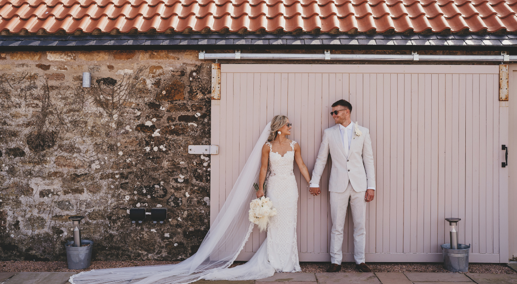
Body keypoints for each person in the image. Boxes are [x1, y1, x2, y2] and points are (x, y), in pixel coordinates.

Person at [70, 115, 311, 284]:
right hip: (275, 186)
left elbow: (299, 164)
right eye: (288, 124)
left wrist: (312, 181)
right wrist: (260, 190)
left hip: (290, 187)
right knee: (275, 224)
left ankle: (289, 261)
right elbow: (262, 169)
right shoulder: (268, 146)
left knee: (289, 223)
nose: (292, 126)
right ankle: (275, 260)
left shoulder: (295, 145)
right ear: (280, 127)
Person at [309, 99, 376, 273]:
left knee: (360, 225)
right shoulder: (329, 133)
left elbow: (368, 160)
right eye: (332, 113)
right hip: (337, 185)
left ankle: (360, 261)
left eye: (335, 112)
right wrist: (314, 181)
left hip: (359, 186)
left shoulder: (363, 132)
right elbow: (321, 159)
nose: (333, 116)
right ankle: (335, 261)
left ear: (347, 112)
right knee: (337, 226)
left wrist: (371, 186)